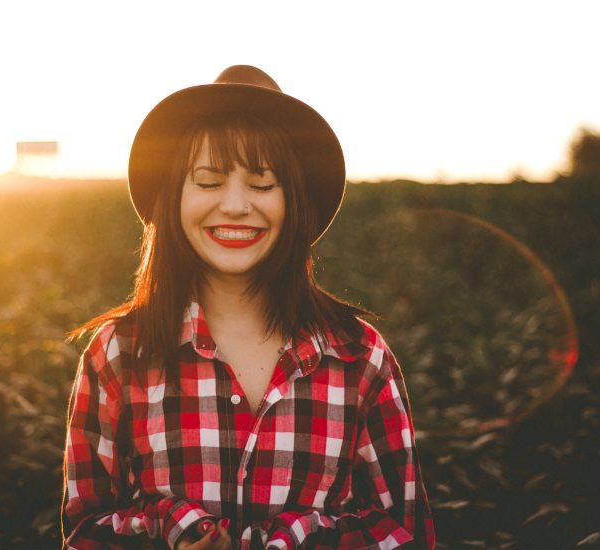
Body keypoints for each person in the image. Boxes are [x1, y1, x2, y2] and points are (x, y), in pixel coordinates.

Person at [62, 65, 435, 549]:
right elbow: (85, 531)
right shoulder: (117, 353)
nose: (236, 206)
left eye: (263, 184)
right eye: (209, 181)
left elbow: (405, 533)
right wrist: (168, 529)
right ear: (173, 197)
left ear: (294, 201)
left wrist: (290, 541)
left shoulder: (360, 357)